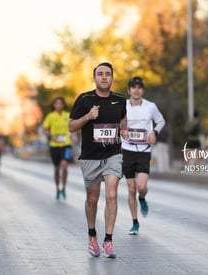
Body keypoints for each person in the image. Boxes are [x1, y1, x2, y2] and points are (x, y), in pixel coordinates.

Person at [68, 62, 128, 258]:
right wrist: (88, 116)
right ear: (94, 78)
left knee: (111, 194)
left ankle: (108, 240)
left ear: (112, 78)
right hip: (91, 157)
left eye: (108, 74)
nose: (104, 77)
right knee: (92, 198)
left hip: (113, 154)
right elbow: (71, 126)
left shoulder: (120, 100)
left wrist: (124, 130)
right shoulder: (84, 99)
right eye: (100, 74)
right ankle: (92, 235)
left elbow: (123, 121)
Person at [121, 76, 165, 235]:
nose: (136, 90)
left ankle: (142, 198)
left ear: (143, 90)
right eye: (133, 87)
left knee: (141, 187)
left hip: (144, 150)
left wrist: (154, 132)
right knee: (131, 189)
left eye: (139, 87)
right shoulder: (123, 106)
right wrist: (122, 131)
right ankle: (135, 222)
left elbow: (161, 121)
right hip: (127, 149)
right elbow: (118, 123)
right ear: (129, 90)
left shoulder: (151, 107)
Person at [42, 97, 72, 200]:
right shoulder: (50, 116)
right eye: (56, 104)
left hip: (66, 144)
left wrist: (75, 136)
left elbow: (72, 127)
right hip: (54, 146)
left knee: (64, 166)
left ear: (63, 105)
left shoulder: (67, 115)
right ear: (54, 105)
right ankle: (57, 188)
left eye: (61, 103)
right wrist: (51, 136)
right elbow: (45, 129)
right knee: (56, 168)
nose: (59, 105)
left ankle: (63, 187)